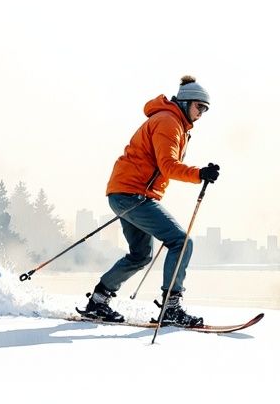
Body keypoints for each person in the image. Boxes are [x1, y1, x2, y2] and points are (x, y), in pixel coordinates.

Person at [82, 76, 220, 327]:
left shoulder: (172, 121)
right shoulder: (169, 122)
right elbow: (168, 166)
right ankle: (171, 308)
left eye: (206, 109)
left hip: (124, 193)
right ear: (187, 102)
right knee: (181, 241)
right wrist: (199, 173)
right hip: (133, 195)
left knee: (140, 255)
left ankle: (98, 301)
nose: (202, 113)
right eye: (200, 107)